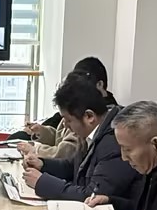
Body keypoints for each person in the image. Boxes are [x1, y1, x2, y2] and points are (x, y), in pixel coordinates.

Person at [22, 74, 139, 202]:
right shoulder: (93, 133)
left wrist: (42, 183)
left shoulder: (114, 143)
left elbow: (91, 196)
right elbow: (74, 167)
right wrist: (43, 164)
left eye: (68, 120)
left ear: (89, 116)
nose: (65, 126)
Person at [17, 56, 117, 143]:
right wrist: (40, 131)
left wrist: (38, 151)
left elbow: (68, 151)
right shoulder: (75, 108)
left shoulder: (107, 118)